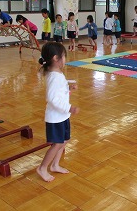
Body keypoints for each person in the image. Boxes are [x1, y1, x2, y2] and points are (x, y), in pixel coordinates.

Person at [36, 42, 80, 182]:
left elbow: (59, 93)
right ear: (56, 58)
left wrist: (69, 90)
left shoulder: (56, 73)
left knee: (65, 140)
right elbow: (52, 98)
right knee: (57, 144)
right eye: (64, 56)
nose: (65, 59)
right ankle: (42, 168)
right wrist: (70, 108)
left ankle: (55, 165)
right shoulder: (54, 77)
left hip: (62, 116)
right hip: (55, 118)